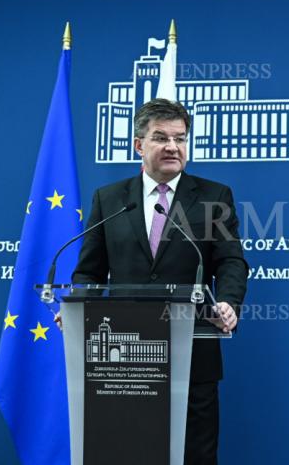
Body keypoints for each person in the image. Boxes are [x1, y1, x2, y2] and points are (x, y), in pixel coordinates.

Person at [71, 98, 248, 464]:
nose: (173, 146)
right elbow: (89, 271)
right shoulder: (110, 199)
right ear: (139, 145)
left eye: (181, 139)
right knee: (127, 453)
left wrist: (228, 302)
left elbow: (231, 260)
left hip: (193, 354)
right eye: (161, 137)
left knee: (195, 455)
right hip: (124, 362)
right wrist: (75, 307)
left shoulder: (215, 196)